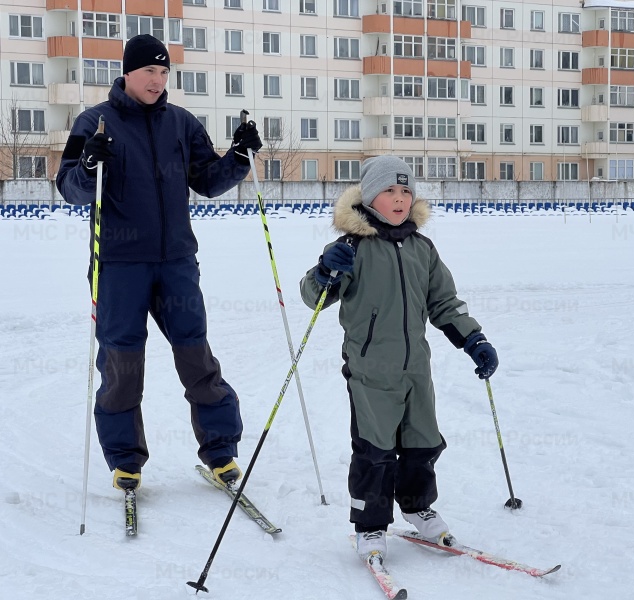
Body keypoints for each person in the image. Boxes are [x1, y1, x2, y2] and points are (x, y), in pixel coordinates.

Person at [56, 35, 263, 491]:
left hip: (176, 264)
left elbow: (207, 180)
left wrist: (240, 157)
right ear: (128, 72)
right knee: (121, 364)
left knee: (197, 356)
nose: (158, 80)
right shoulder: (96, 122)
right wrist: (89, 165)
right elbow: (69, 186)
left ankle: (221, 452)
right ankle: (125, 460)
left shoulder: (182, 124)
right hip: (118, 264)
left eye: (164, 72)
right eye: (150, 71)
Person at [299, 155, 499, 561]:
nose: (399, 199)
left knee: (422, 443)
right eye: (390, 190)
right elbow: (312, 297)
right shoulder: (351, 247)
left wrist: (473, 339)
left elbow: (444, 302)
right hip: (370, 370)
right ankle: (370, 526)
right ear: (371, 196)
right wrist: (324, 270)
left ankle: (416, 506)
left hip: (415, 370)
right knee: (374, 450)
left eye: (406, 191)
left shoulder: (423, 249)